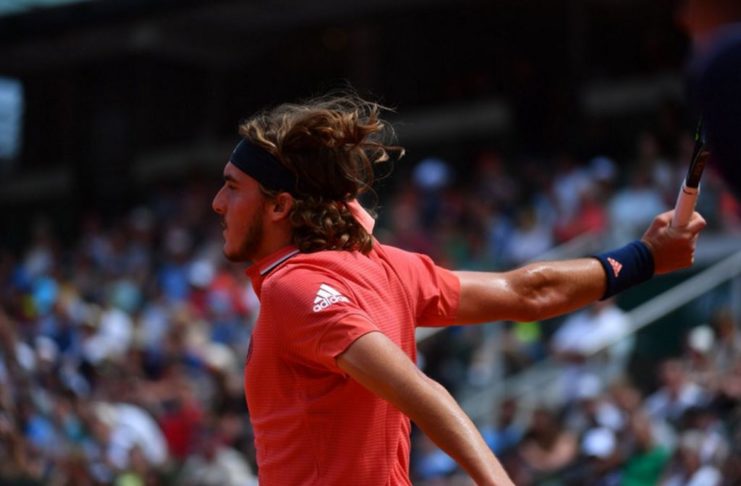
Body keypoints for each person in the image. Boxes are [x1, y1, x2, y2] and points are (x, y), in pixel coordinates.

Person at [210, 93, 706, 485]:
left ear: (280, 207)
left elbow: (423, 393)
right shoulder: (386, 267)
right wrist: (645, 258)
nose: (217, 202)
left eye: (232, 187)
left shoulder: (293, 288)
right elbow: (527, 292)